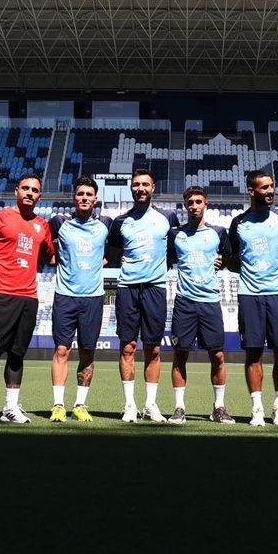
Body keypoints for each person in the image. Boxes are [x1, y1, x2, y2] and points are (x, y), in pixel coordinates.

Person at [0, 173, 54, 424]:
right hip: (0, 295)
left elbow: (51, 257)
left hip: (28, 298)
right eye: (26, 188)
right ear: (16, 191)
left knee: (17, 355)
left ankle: (10, 407)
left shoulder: (42, 225)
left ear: (40, 196)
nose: (30, 193)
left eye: (35, 190)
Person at [227, 169, 278, 427]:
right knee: (253, 352)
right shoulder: (238, 223)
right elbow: (232, 260)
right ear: (251, 191)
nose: (270, 191)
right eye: (264, 187)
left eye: (271, 186)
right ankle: (256, 408)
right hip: (250, 295)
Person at [107, 167, 178, 422]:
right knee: (127, 347)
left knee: (153, 348)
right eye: (136, 185)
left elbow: (174, 250)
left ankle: (150, 404)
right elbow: (112, 252)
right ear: (131, 188)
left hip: (155, 288)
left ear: (153, 187)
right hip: (127, 288)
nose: (141, 189)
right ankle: (129, 405)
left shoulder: (167, 217)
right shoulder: (120, 222)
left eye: (145, 184)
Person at [167, 185, 235, 424]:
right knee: (180, 355)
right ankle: (179, 408)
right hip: (184, 302)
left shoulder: (218, 232)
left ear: (206, 203)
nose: (194, 206)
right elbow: (167, 258)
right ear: (185, 206)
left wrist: (222, 262)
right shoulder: (175, 235)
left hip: (210, 301)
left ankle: (219, 407)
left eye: (198, 202)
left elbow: (230, 258)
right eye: (190, 202)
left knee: (218, 355)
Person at [48, 177, 110, 422]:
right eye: (80, 194)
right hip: (65, 296)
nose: (84, 198)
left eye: (89, 194)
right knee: (61, 349)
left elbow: (116, 249)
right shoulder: (59, 223)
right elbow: (46, 250)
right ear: (74, 197)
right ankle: (58, 405)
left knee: (87, 352)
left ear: (95, 198)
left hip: (93, 297)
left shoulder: (105, 224)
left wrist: (102, 261)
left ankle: (80, 405)